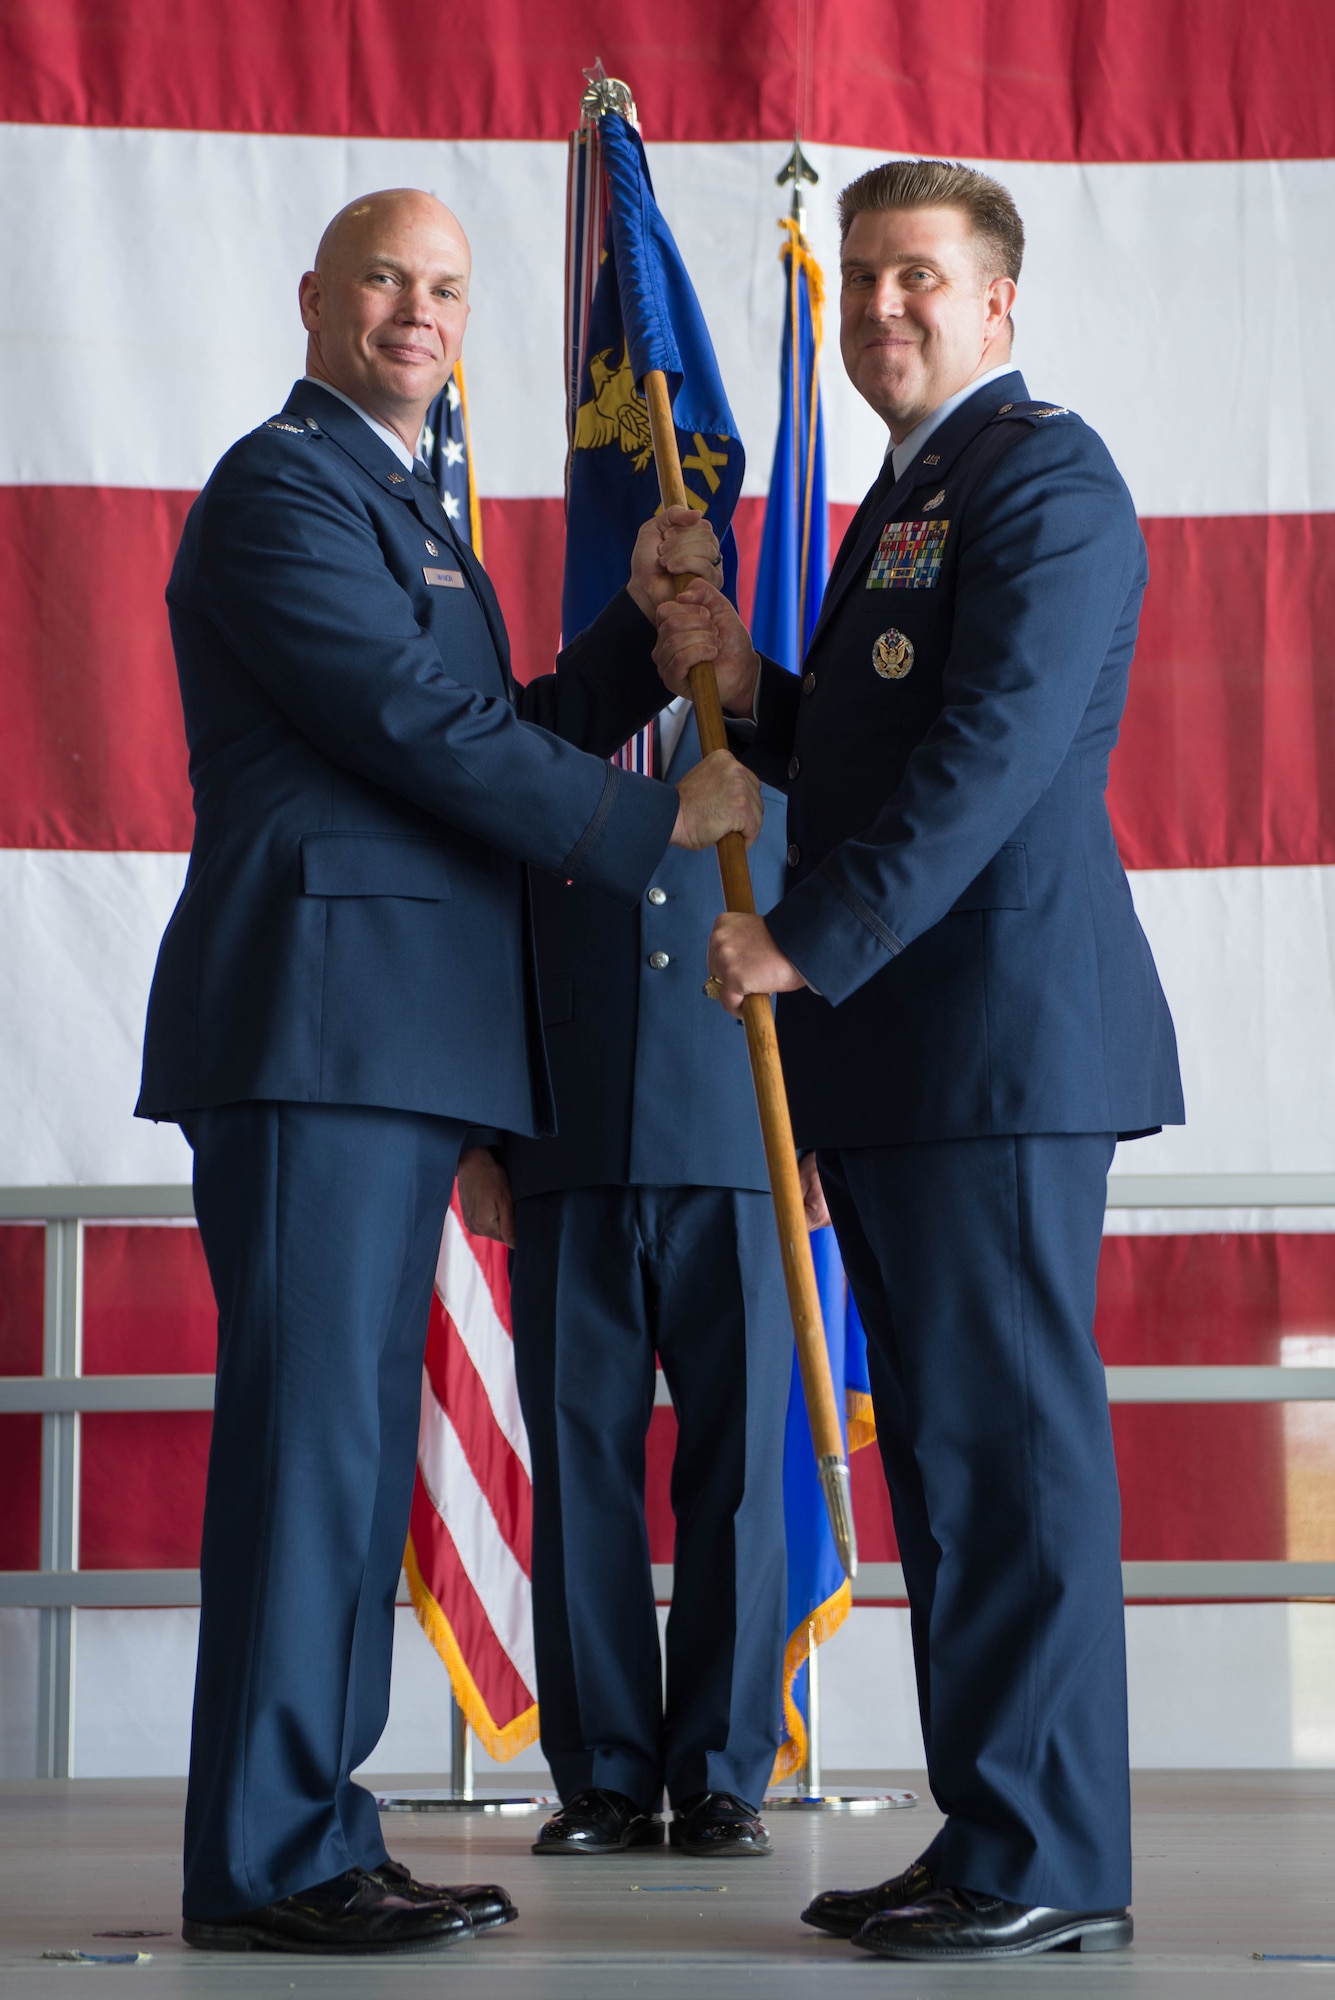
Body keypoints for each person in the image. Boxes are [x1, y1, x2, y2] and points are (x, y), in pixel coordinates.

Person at [135, 187, 762, 1956]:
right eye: (388, 281)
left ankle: (316, 1832)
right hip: (318, 1026)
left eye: (448, 289)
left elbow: (484, 725)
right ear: (318, 296)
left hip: (390, 1035)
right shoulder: (281, 487)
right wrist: (658, 819)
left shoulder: (402, 505)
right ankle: (266, 1863)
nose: (420, 310)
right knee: (310, 1450)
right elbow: (409, 731)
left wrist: (640, 650)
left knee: (343, 1448)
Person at [654, 158, 1183, 1963]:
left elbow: (992, 762)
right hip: (910, 1064)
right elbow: (885, 744)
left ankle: (1051, 1849)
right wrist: (754, 678)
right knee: (956, 1463)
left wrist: (807, 939)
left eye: (919, 281)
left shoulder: (1046, 477)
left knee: (1013, 1459)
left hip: (1002, 1050)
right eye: (862, 278)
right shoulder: (907, 501)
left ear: (999, 302)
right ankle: (995, 1832)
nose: (881, 307)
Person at [458, 698, 792, 1861]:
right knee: (578, 1465)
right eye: (659, 561)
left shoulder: (791, 729)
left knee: (741, 1470)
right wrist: (476, 1136)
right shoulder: (539, 726)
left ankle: (720, 1772)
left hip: (742, 1145)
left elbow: (847, 910)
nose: (680, 580)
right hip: (568, 1141)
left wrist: (830, 1128)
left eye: (702, 554)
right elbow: (481, 919)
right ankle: (601, 1770)